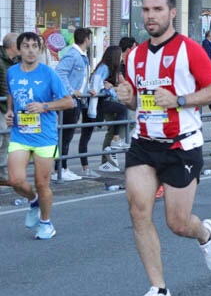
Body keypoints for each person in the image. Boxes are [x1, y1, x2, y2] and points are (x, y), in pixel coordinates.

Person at [115, 0, 211, 296]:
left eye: (157, 10)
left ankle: (205, 233)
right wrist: (127, 99)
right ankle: (159, 289)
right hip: (144, 144)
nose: (150, 16)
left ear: (171, 13)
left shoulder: (189, 50)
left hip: (182, 145)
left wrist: (179, 100)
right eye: (146, 10)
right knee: (138, 211)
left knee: (178, 223)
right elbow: (138, 101)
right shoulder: (133, 56)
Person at [5, 32, 75, 239]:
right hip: (20, 135)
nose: (30, 50)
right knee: (16, 181)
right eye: (25, 46)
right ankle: (34, 200)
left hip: (45, 137)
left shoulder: (48, 73)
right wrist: (9, 111)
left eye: (34, 46)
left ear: (40, 50)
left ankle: (46, 223)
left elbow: (69, 102)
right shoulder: (12, 72)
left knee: (42, 182)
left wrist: (44, 106)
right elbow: (11, 93)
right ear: (19, 50)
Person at [54, 27, 93, 181]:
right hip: (69, 101)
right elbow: (59, 72)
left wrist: (89, 90)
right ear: (86, 39)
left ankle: (62, 168)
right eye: (90, 38)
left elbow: (83, 79)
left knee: (67, 136)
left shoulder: (82, 56)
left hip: (76, 101)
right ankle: (60, 169)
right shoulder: (73, 55)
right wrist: (71, 90)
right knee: (65, 136)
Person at [85, 46, 129, 172]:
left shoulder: (111, 69)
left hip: (105, 101)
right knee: (122, 111)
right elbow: (97, 83)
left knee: (121, 116)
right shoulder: (104, 68)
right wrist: (109, 89)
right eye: (120, 55)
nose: (121, 58)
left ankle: (114, 145)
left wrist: (111, 88)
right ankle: (115, 141)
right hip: (101, 102)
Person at [1, 32, 21, 179]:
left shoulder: (17, 61)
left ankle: (2, 173)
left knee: (7, 141)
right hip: (0, 107)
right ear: (13, 46)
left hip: (12, 107)